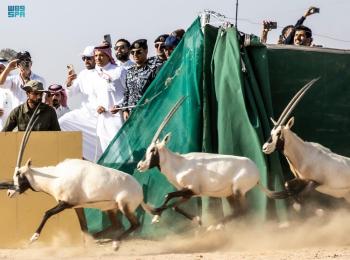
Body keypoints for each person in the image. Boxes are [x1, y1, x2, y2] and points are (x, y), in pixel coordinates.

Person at [59, 46, 102, 161]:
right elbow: (71, 92)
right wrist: (68, 83)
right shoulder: (83, 74)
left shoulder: (103, 72)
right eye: (84, 58)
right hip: (85, 113)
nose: (86, 61)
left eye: (89, 58)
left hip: (102, 115)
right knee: (61, 123)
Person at [93, 43, 126, 151]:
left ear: (108, 56)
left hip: (118, 117)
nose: (98, 58)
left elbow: (129, 92)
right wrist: (98, 106)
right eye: (96, 55)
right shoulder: (95, 74)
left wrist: (120, 105)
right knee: (106, 150)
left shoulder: (119, 70)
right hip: (103, 118)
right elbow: (95, 96)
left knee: (121, 148)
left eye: (101, 55)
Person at [122, 39, 164, 120]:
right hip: (132, 114)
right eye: (132, 52)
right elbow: (127, 92)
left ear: (146, 51)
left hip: (149, 112)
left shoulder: (153, 68)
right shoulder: (130, 71)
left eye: (138, 52)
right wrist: (125, 110)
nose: (135, 55)